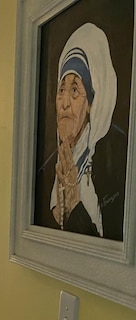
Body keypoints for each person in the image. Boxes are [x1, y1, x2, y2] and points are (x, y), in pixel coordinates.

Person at [49, 22, 126, 240]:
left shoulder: (109, 163)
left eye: (75, 90)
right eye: (61, 89)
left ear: (91, 102)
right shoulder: (52, 166)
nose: (64, 103)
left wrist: (73, 199)